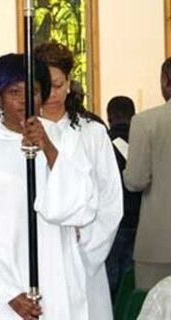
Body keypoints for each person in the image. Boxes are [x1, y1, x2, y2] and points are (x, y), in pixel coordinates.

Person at [0, 53, 98, 319]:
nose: (25, 100)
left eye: (35, 91)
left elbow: (81, 206)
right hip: (1, 283)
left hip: (56, 272)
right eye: (14, 91)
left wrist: (48, 148)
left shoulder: (65, 140)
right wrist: (7, 292)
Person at [35, 42, 123, 320]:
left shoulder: (92, 134)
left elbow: (111, 201)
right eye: (45, 86)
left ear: (70, 81)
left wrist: (84, 240)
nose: (52, 95)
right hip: (37, 257)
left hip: (83, 256)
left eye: (59, 85)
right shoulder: (21, 134)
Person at [124, 57, 171, 290]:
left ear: (165, 81)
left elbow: (135, 180)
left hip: (158, 240)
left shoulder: (145, 122)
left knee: (154, 309)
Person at [105, 96, 142, 300]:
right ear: (133, 115)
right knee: (131, 279)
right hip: (141, 220)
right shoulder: (142, 139)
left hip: (114, 223)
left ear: (109, 117)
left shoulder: (103, 142)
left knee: (110, 280)